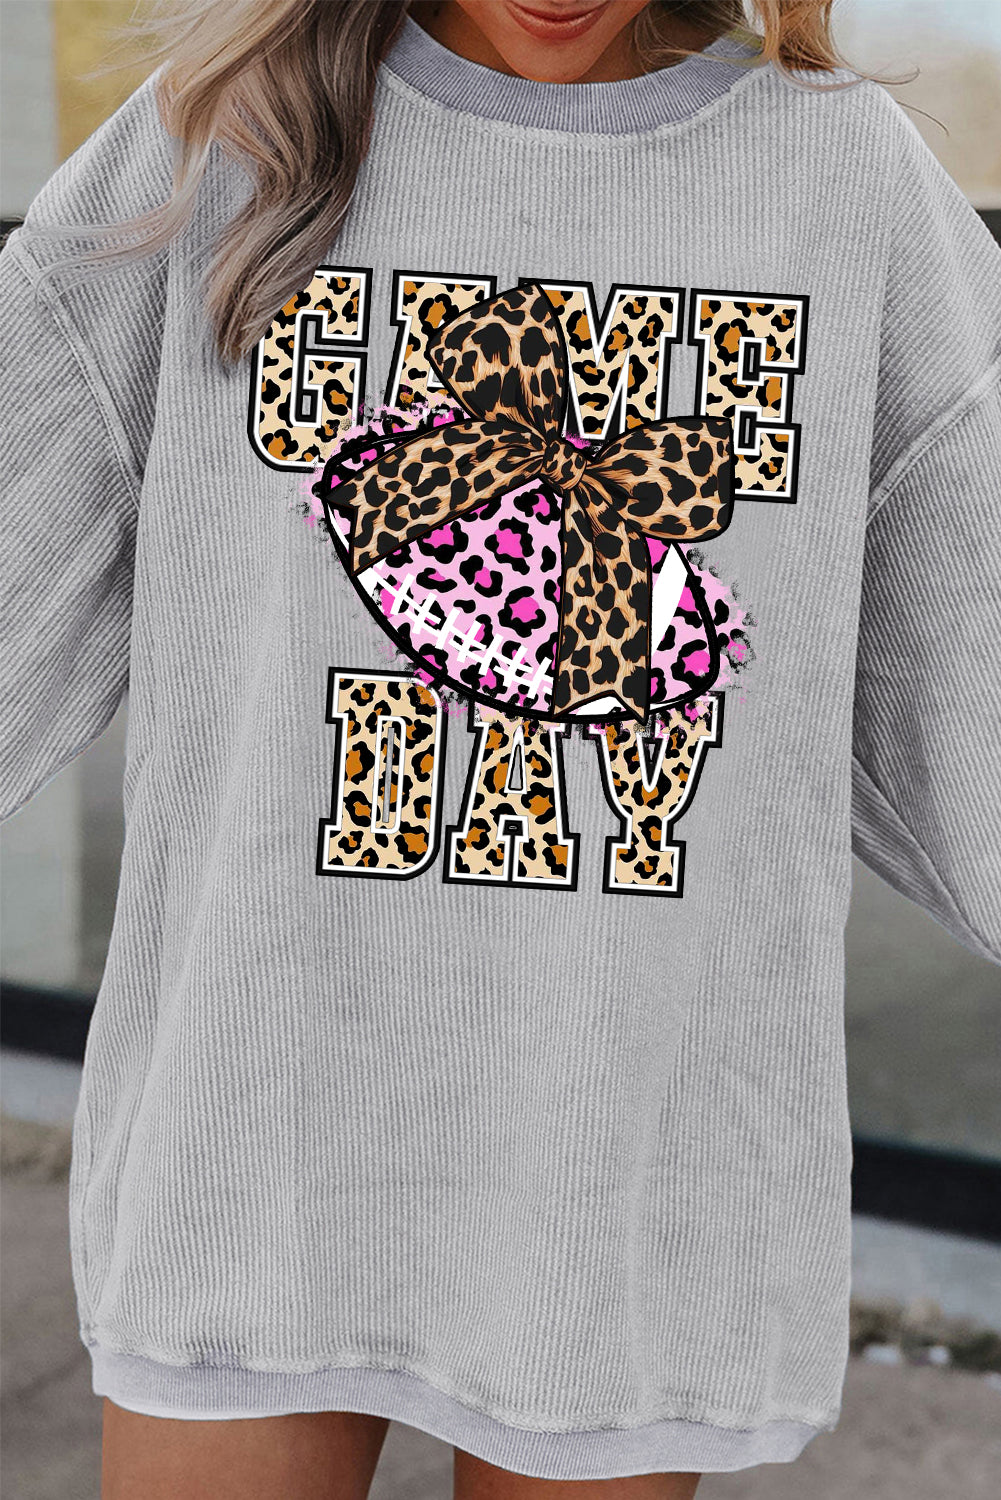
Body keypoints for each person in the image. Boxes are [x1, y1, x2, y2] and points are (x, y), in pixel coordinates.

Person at [1, 2, 999, 1497]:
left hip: (617, 1156)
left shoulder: (836, 176)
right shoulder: (227, 143)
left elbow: (968, 609)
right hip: (252, 1134)